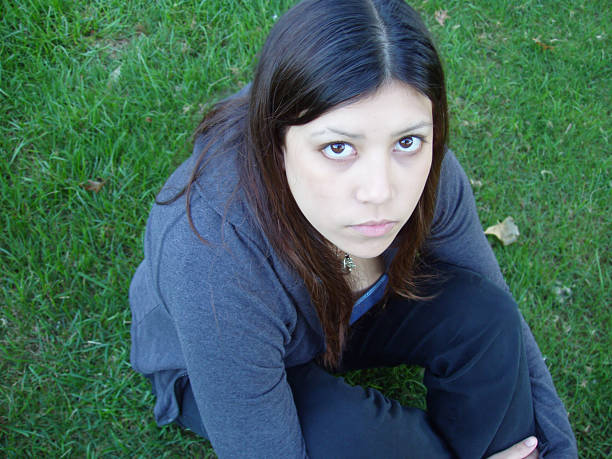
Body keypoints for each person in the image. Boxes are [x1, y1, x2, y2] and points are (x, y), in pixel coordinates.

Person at [128, 0, 577, 457]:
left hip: (352, 314)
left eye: (406, 141)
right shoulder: (211, 251)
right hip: (218, 360)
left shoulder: (431, 173)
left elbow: (505, 326)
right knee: (373, 444)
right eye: (339, 147)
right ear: (276, 142)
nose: (380, 191)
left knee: (488, 317)